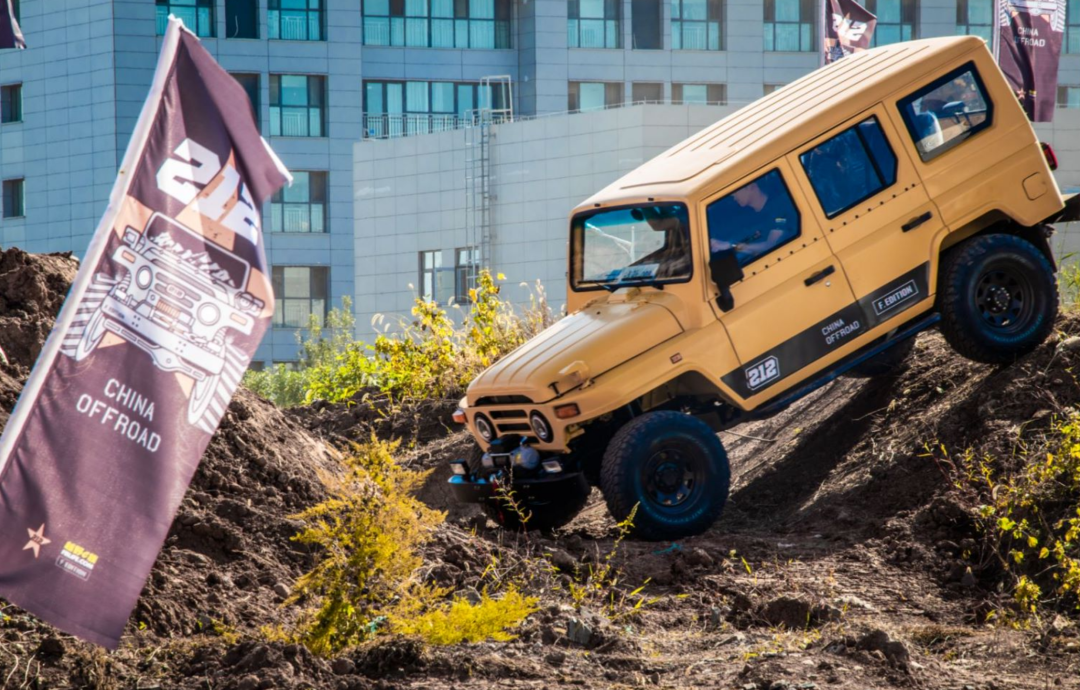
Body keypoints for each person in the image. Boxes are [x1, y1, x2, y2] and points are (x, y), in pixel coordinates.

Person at [707, 171, 796, 266]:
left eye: (736, 191)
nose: (733, 195)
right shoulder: (748, 216)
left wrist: (730, 246)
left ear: (751, 186)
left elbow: (771, 244)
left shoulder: (779, 208)